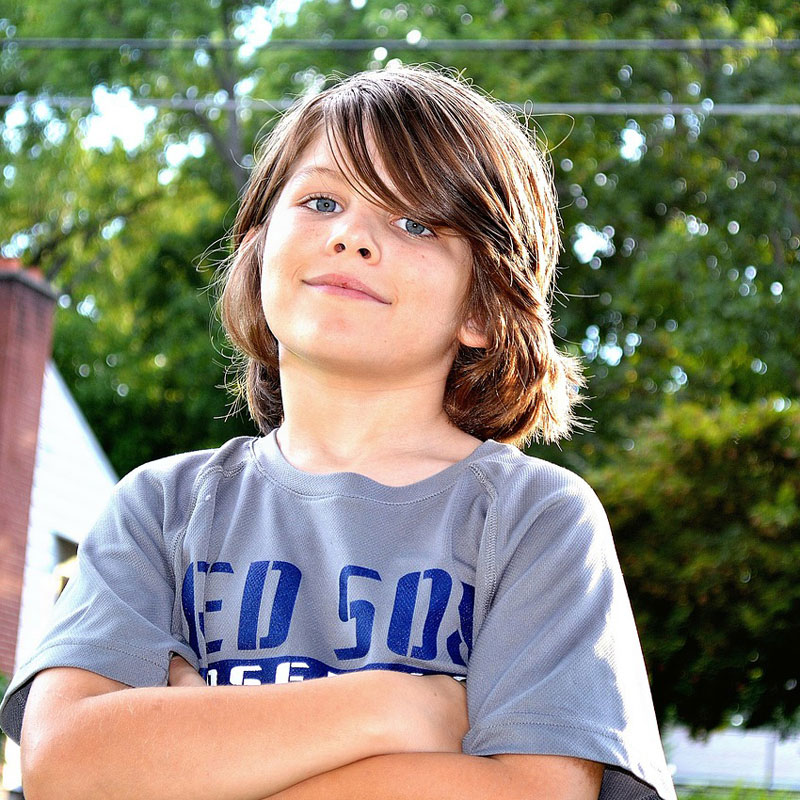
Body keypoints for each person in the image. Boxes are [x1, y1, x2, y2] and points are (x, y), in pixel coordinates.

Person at [0, 65, 676, 800]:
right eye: (322, 201)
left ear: (482, 309)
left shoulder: (534, 520)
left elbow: (536, 794)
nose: (352, 235)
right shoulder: (159, 508)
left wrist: (195, 757)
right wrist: (398, 707)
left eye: (416, 223)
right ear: (259, 250)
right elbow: (63, 762)